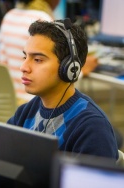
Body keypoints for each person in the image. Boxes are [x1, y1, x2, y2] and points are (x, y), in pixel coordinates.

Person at [7, 19, 118, 160]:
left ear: (69, 68)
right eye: (25, 56)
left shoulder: (92, 128)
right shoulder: (25, 113)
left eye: (38, 60)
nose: (24, 67)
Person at [0, 0, 98, 103]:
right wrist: (81, 71)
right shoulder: (44, 21)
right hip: (34, 102)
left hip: (8, 101)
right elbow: (61, 71)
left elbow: (2, 64)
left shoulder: (9, 16)